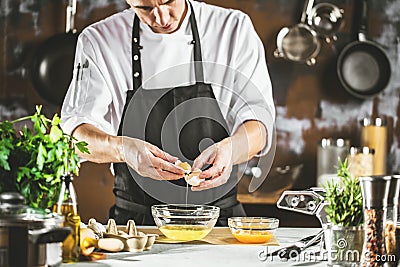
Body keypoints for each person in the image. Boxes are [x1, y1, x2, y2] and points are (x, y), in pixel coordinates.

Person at [61, 0, 275, 226]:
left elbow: (259, 125)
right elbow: (75, 136)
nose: (161, 18)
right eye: (145, 8)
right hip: (138, 227)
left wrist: (231, 151)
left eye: (167, 1)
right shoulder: (99, 40)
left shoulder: (233, 29)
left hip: (219, 222)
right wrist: (124, 149)